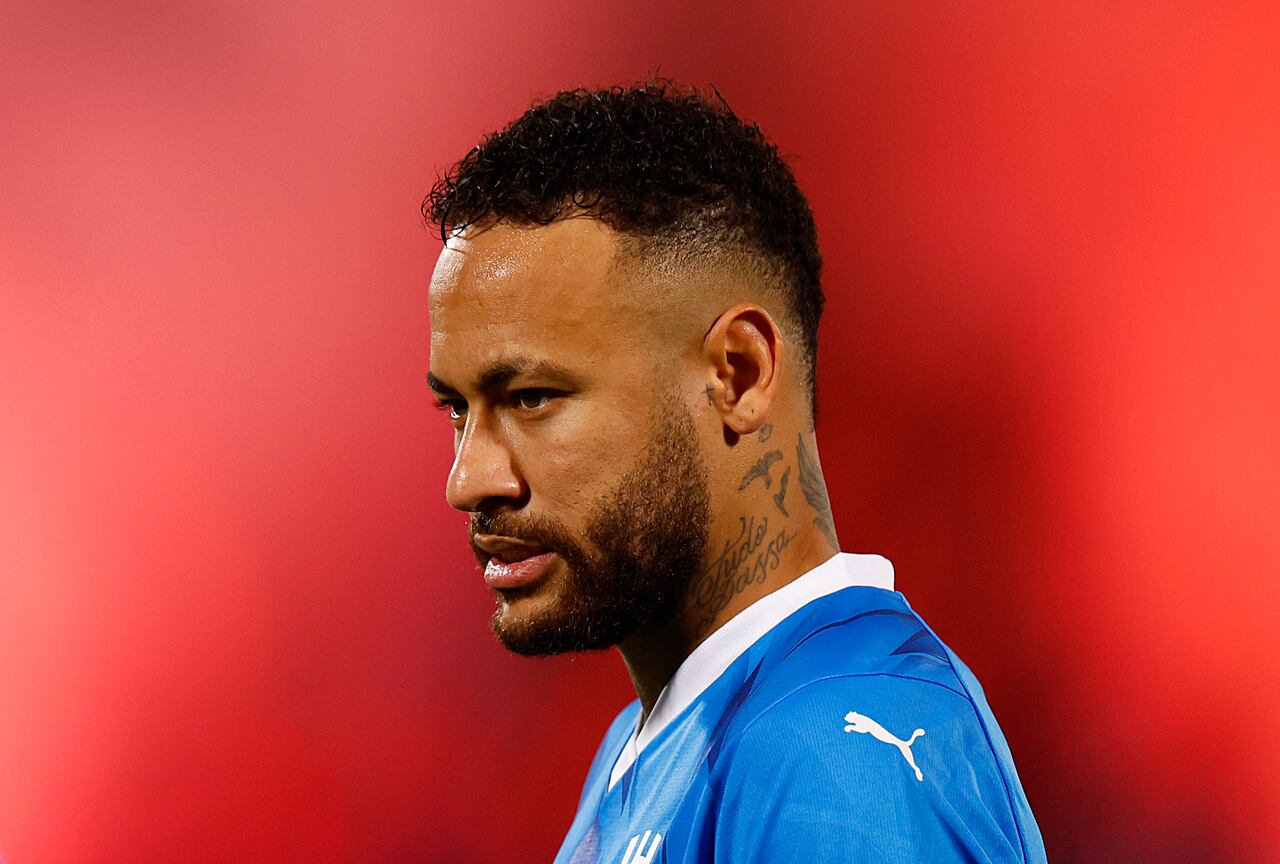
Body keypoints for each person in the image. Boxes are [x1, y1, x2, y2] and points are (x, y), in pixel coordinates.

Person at [423, 82, 1047, 863]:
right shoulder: (657, 740)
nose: (469, 479)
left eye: (533, 397)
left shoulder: (838, 753)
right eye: (457, 408)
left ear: (740, 374)